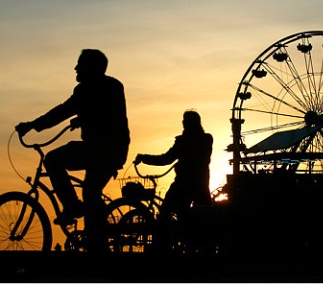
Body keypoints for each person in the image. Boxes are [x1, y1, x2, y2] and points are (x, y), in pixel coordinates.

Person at [15, 49, 130, 253]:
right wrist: (82, 118)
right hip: (107, 150)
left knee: (57, 163)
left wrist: (32, 125)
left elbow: (63, 111)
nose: (75, 68)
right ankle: (93, 235)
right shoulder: (108, 86)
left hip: (103, 150)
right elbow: (98, 111)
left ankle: (76, 212)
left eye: (79, 64)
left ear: (91, 67)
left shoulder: (89, 90)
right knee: (89, 190)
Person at [134, 110, 213, 251]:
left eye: (184, 120)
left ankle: (164, 247)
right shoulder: (207, 139)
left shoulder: (182, 141)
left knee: (165, 212)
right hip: (201, 183)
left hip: (183, 184)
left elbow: (165, 159)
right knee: (203, 214)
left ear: (186, 123)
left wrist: (144, 158)